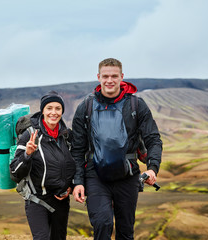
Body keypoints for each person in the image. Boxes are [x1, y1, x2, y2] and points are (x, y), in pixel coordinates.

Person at [71, 58, 162, 239]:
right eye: (105, 76)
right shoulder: (86, 107)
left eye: (114, 76)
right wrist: (78, 181)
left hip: (128, 176)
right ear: (98, 77)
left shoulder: (136, 105)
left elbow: (153, 139)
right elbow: (77, 149)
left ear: (122, 77)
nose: (109, 80)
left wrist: (152, 168)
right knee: (102, 223)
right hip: (95, 175)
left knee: (125, 231)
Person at [10, 90, 76, 240]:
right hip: (36, 200)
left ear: (62, 111)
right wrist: (27, 154)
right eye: (49, 108)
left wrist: (70, 187)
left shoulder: (67, 136)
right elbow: (15, 172)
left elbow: (75, 165)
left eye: (58, 108)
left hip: (61, 200)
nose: (54, 112)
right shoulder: (30, 134)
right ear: (43, 111)